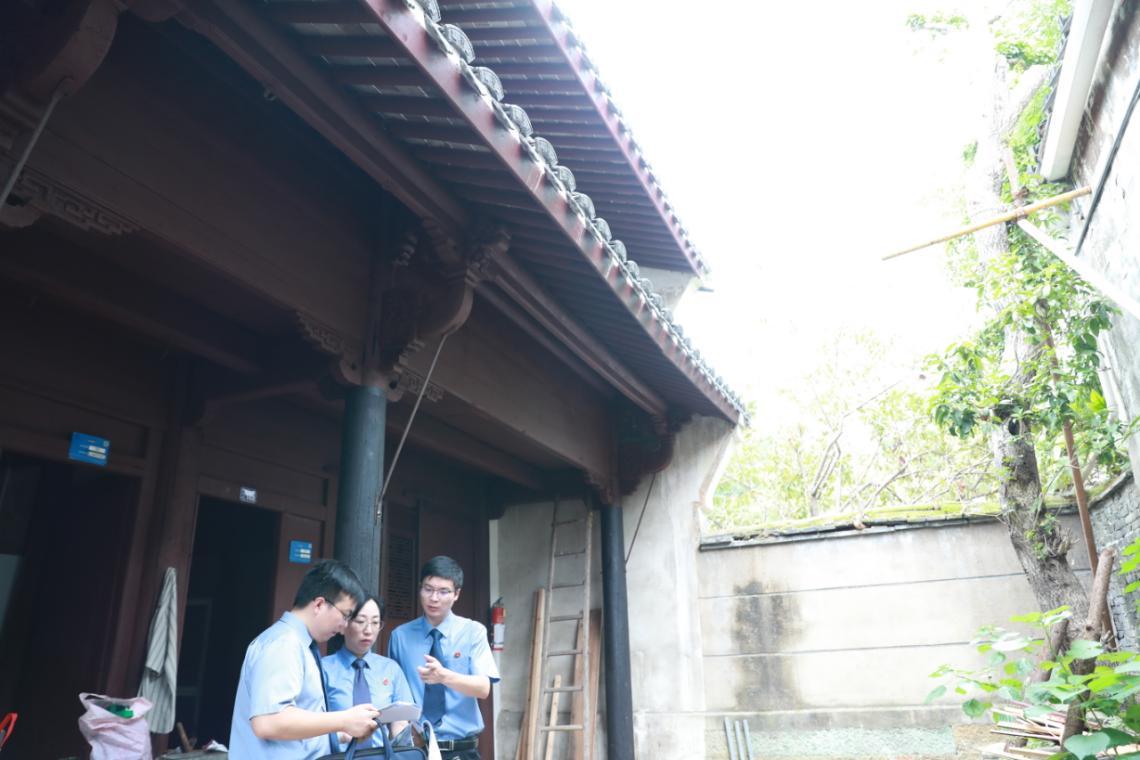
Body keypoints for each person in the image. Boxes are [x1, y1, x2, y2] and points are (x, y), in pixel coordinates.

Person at [229, 559, 381, 759]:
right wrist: (344, 719)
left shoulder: (299, 645)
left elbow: (295, 724)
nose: (345, 626)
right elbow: (269, 721)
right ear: (319, 604)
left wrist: (337, 735)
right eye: (346, 615)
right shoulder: (284, 644)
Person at [388, 556, 499, 760]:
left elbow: (483, 688)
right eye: (428, 589)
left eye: (443, 591)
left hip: (461, 749)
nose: (434, 598)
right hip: (416, 750)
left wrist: (444, 677)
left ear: (456, 594)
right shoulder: (400, 636)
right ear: (420, 588)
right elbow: (396, 694)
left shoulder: (473, 632)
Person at [323, 593, 414, 751]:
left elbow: (401, 721)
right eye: (360, 621)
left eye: (375, 622)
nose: (368, 630)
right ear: (344, 624)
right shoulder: (323, 669)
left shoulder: (391, 669)